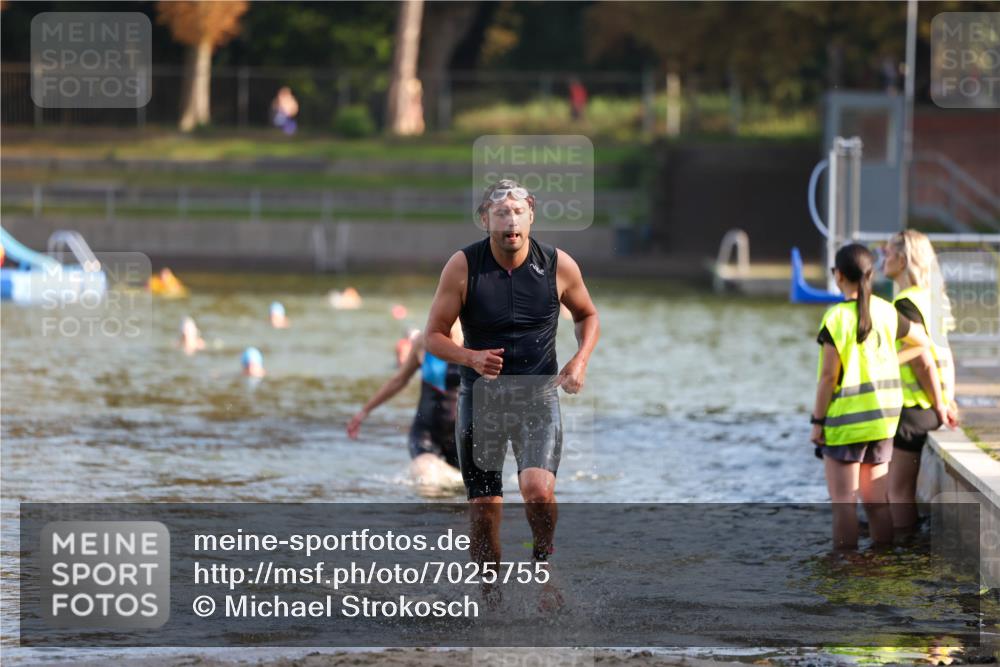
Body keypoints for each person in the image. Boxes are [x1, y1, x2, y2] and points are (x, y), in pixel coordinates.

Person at [423, 178, 600, 596]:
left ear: (531, 216)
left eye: (518, 212)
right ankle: (491, 597)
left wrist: (579, 360)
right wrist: (470, 357)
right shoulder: (464, 266)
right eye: (501, 213)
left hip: (538, 397)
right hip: (481, 399)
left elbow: (587, 316)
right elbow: (432, 335)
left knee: (537, 492)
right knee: (485, 511)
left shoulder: (558, 265)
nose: (510, 221)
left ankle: (543, 562)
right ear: (485, 219)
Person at [811, 243, 934, 550]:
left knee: (844, 506)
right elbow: (922, 342)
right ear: (870, 274)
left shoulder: (836, 318)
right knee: (877, 503)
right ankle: (882, 564)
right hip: (882, 422)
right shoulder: (885, 310)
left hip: (845, 424)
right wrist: (892, 358)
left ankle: (846, 571)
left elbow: (828, 377)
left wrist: (817, 422)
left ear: (839, 275)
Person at [883, 230, 959, 530]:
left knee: (897, 491)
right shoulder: (933, 298)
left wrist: (940, 404)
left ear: (902, 260)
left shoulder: (903, 303)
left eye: (888, 253)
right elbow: (946, 354)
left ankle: (903, 553)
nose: (883, 259)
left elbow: (921, 358)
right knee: (899, 490)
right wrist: (948, 398)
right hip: (931, 404)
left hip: (913, 408)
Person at [347, 322, 465, 494]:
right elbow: (399, 380)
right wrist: (364, 412)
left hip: (464, 438)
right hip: (427, 433)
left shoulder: (477, 342)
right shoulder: (423, 341)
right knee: (427, 481)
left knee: (465, 495)